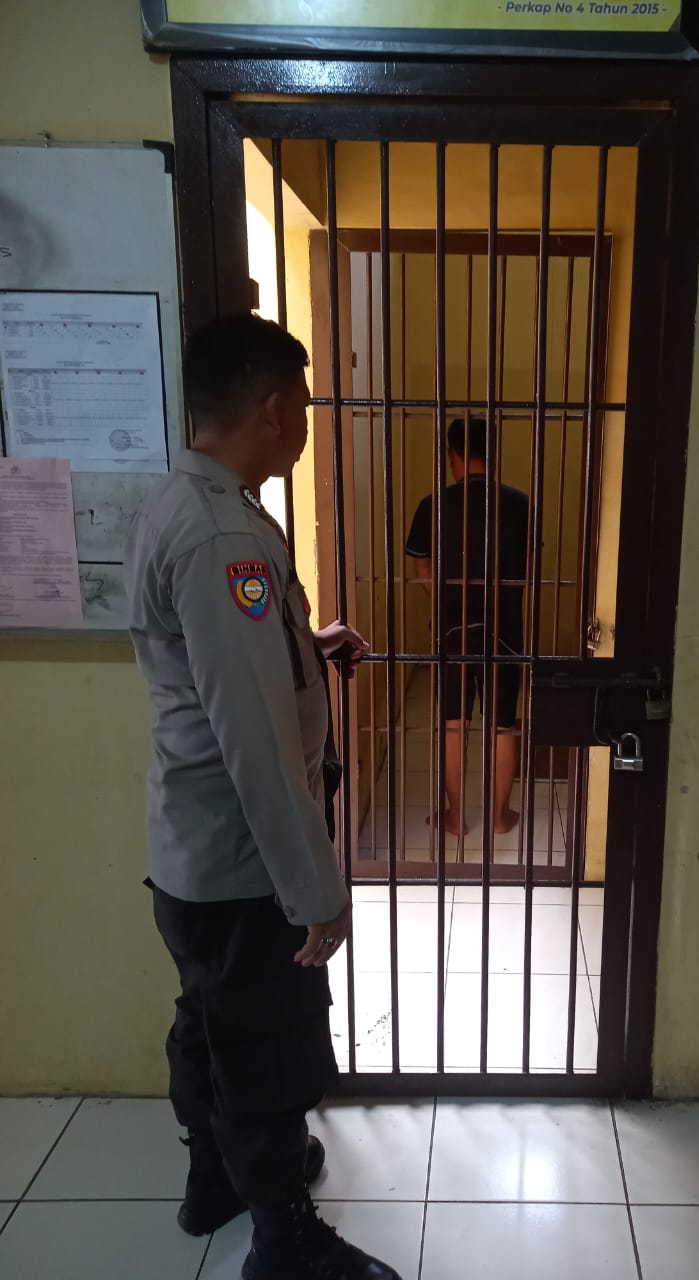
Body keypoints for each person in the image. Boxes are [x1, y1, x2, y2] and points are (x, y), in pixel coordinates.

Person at [124, 314, 400, 1280]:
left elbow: (208, 668)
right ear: (276, 409)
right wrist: (316, 889)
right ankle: (284, 1241)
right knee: (265, 1049)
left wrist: (303, 650)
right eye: (308, 405)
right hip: (243, 862)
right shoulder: (223, 535)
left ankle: (213, 1183)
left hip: (189, 851)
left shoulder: (177, 501)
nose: (309, 423)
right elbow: (256, 741)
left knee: (209, 1021)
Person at [405, 416, 530, 836]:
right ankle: (498, 818)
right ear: (494, 454)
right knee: (503, 724)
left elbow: (422, 568)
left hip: (452, 632)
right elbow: (527, 569)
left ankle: (457, 818)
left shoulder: (433, 504)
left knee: (454, 724)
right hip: (504, 633)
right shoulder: (519, 504)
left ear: (453, 456)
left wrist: (446, 602)